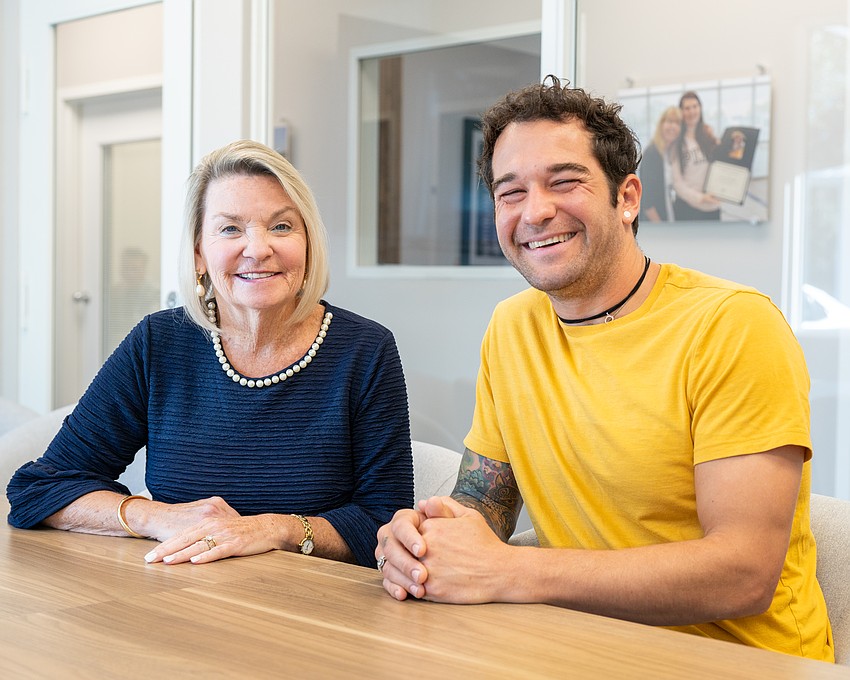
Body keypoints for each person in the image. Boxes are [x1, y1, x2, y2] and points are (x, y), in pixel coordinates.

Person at [376, 77, 833, 662]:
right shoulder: (512, 328)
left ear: (628, 198)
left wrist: (511, 570)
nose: (536, 212)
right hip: (586, 649)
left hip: (745, 662)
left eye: (564, 182)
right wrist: (425, 541)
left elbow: (743, 574)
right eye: (510, 193)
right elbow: (483, 502)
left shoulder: (733, 326)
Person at [7, 139, 413, 569]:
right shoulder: (159, 342)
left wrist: (275, 529)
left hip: (312, 615)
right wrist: (157, 517)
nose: (257, 249)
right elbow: (39, 489)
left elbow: (383, 523)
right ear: (199, 253)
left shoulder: (366, 350)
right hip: (180, 603)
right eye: (230, 229)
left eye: (281, 227)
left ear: (308, 243)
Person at [670, 90, 721, 220]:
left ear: (700, 108)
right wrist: (701, 198)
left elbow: (721, 165)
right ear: (681, 112)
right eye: (687, 108)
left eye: (695, 106)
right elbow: (677, 183)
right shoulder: (676, 143)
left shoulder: (710, 137)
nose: (692, 112)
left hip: (712, 208)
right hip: (687, 209)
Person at [638, 106, 681, 222]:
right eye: (669, 121)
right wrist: (660, 226)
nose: (673, 126)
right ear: (661, 125)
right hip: (654, 223)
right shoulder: (652, 153)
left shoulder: (670, 154)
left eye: (677, 123)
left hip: (668, 217)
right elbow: (647, 200)